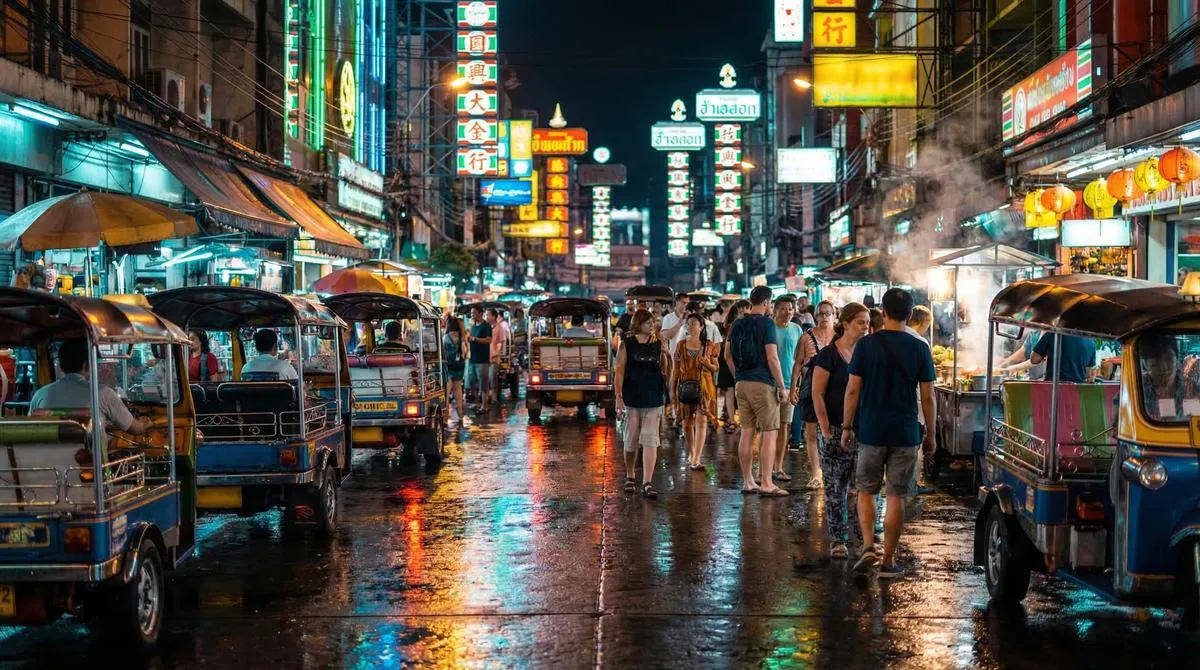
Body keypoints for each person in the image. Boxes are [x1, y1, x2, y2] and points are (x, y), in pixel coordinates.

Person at [842, 288, 936, 578]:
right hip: (905, 432)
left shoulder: (866, 345)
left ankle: (869, 546)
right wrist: (931, 434)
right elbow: (928, 397)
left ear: (882, 312)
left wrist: (846, 426)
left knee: (866, 490)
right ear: (910, 315)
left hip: (871, 430)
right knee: (896, 496)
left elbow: (853, 389)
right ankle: (888, 561)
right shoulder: (920, 347)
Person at [812, 302, 870, 559]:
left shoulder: (867, 353)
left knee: (864, 488)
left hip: (863, 430)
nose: (866, 327)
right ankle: (838, 540)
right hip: (834, 429)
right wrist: (825, 430)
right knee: (836, 489)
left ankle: (866, 539)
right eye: (860, 322)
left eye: (868, 322)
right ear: (845, 324)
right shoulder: (829, 355)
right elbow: (817, 393)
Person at [726, 285, 789, 497]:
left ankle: (748, 482)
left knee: (746, 432)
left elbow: (727, 355)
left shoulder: (737, 323)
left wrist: (739, 375)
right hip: (763, 384)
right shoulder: (767, 323)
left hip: (741, 384)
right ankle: (767, 483)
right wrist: (782, 385)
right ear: (766, 302)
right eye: (770, 303)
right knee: (770, 434)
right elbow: (772, 357)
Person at [31, 338, 152, 434]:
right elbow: (135, 429)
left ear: (61, 366)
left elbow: (30, 428)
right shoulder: (103, 393)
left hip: (46, 464)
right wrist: (145, 424)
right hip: (90, 463)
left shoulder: (40, 395)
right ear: (87, 365)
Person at [614, 309, 671, 499]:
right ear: (638, 324)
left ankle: (647, 482)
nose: (652, 325)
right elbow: (620, 371)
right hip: (631, 398)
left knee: (650, 440)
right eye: (648, 322)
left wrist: (665, 353)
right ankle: (630, 475)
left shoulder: (657, 343)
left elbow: (665, 370)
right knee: (630, 441)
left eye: (653, 322)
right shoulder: (627, 344)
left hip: (653, 398)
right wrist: (618, 397)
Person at [793, 300, 836, 489]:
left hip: (835, 391)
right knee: (811, 433)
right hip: (810, 389)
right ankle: (816, 474)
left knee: (833, 431)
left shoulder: (839, 337)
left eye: (828, 313)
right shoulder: (806, 337)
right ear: (815, 316)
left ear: (834, 316)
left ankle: (833, 471)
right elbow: (798, 364)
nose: (825, 317)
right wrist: (793, 387)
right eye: (821, 314)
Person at [672, 313, 719, 470]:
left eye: (694, 323)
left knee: (701, 421)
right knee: (687, 424)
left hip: (704, 388)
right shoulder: (680, 345)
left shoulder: (709, 345)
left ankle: (697, 458)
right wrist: (672, 389)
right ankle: (691, 453)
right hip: (685, 386)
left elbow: (716, 367)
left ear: (701, 327)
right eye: (689, 323)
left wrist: (707, 363)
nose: (691, 326)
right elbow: (676, 369)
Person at [770, 295, 802, 483]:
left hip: (790, 385)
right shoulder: (768, 328)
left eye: (790, 308)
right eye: (783, 308)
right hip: (769, 384)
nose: (787, 312)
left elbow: (799, 359)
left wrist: (796, 385)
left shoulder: (797, 329)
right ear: (775, 310)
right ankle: (764, 469)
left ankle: (779, 467)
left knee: (784, 427)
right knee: (767, 428)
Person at [718, 299, 750, 433]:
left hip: (740, 360)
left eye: (745, 308)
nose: (742, 311)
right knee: (731, 391)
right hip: (729, 360)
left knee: (738, 392)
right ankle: (732, 420)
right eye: (740, 309)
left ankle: (741, 421)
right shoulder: (730, 325)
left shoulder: (749, 323)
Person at [1029, 332, 1097, 384]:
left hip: (1053, 389)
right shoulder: (1091, 342)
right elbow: (1090, 373)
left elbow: (1034, 359)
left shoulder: (1053, 334)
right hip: (1077, 392)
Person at [467, 306, 493, 412]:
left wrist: (475, 339)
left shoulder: (486, 326)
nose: (472, 315)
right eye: (471, 313)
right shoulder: (473, 326)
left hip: (482, 361)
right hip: (472, 359)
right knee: (472, 383)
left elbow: (489, 340)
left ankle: (484, 406)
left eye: (474, 313)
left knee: (483, 385)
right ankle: (477, 403)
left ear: (481, 313)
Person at [444, 316, 468, 426]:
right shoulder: (462, 337)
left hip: (448, 367)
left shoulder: (445, 337)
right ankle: (460, 414)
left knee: (447, 392)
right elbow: (466, 352)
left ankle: (445, 416)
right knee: (458, 389)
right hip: (460, 366)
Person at [488, 309, 510, 402]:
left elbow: (502, 342)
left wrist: (496, 353)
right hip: (485, 357)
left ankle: (494, 398)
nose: (486, 317)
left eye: (488, 315)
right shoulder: (487, 327)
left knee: (493, 378)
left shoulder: (499, 328)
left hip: (494, 358)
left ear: (493, 317)